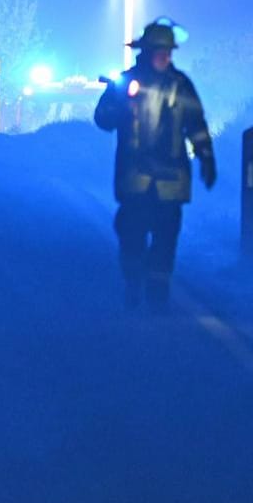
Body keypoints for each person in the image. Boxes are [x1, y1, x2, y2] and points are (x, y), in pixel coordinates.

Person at [93, 19, 217, 311]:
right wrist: (120, 107)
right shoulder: (125, 83)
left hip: (171, 182)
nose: (166, 56)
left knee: (166, 240)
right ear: (146, 51)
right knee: (130, 235)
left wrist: (206, 157)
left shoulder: (181, 85)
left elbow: (196, 124)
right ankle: (134, 283)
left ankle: (157, 298)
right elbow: (102, 119)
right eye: (160, 51)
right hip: (135, 179)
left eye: (168, 51)